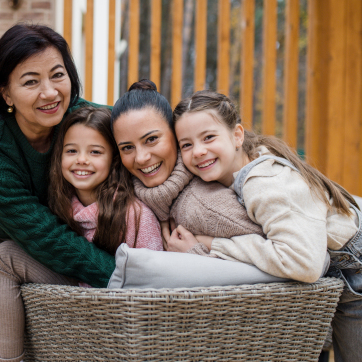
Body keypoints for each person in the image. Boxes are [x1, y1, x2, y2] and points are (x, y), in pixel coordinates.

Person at [169, 89, 362, 362]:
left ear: (237, 136)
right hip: (336, 276)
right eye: (186, 145)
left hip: (360, 276)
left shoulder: (264, 182)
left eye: (208, 137)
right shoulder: (237, 170)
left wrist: (211, 245)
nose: (199, 151)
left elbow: (303, 262)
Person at [0, 24, 116, 362]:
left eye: (57, 75)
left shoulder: (86, 118)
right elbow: (46, 237)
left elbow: (144, 140)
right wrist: (121, 277)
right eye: (31, 81)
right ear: (5, 93)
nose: (50, 93)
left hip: (34, 219)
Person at [0, 106, 162, 362]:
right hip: (73, 295)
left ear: (113, 159)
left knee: (2, 257)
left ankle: (9, 358)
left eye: (95, 152)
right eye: (72, 151)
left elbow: (155, 283)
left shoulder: (133, 213)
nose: (81, 160)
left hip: (115, 315)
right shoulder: (61, 203)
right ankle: (22, 345)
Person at [111, 80, 263, 256]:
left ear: (175, 136)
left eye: (151, 139)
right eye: (127, 148)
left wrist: (199, 249)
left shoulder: (203, 206)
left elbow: (278, 254)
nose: (141, 157)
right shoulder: (131, 190)